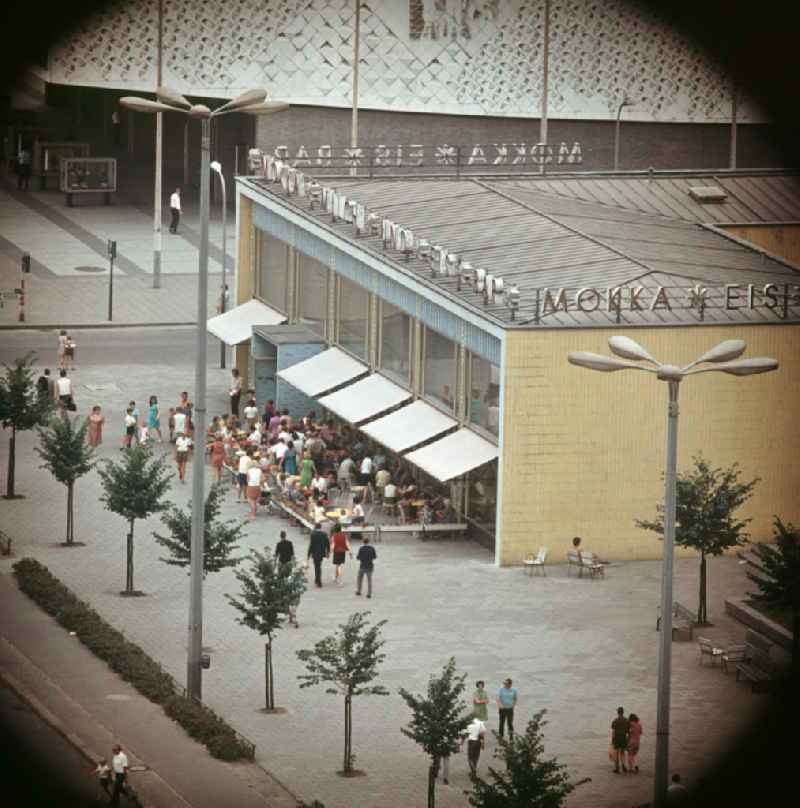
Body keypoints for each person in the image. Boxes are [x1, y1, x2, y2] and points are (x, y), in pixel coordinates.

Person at [275, 531, 300, 626]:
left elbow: (276, 555)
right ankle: (288, 584)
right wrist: (294, 564)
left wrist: (274, 565)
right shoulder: (290, 543)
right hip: (288, 564)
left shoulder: (278, 544)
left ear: (280, 536)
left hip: (281, 563)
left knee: (281, 579)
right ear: (285, 536)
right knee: (289, 577)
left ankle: (282, 588)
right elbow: (293, 554)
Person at [307, 522, 330, 588]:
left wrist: (308, 554)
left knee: (317, 566)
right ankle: (317, 579)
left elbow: (311, 545)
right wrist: (328, 552)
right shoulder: (324, 534)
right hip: (321, 553)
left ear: (315, 527)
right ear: (320, 527)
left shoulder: (313, 534)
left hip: (314, 553)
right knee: (318, 566)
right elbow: (327, 544)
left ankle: (318, 580)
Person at [611, 706, 630, 773]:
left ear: (618, 712)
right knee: (622, 752)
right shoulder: (627, 720)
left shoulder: (615, 721)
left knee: (616, 753)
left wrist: (612, 741)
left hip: (616, 738)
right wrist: (627, 740)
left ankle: (617, 768)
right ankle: (624, 766)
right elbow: (628, 732)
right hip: (623, 738)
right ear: (623, 712)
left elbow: (613, 732)